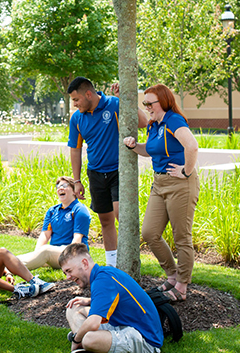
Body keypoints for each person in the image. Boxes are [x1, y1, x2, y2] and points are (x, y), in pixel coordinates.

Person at [123, 84, 199, 303]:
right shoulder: (154, 124)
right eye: (144, 103)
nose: (146, 107)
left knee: (182, 237)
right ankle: (172, 275)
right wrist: (133, 145)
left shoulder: (173, 120)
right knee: (149, 233)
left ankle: (182, 286)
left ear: (163, 101)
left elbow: (192, 147)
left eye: (150, 103)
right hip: (159, 183)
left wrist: (186, 171)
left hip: (180, 185)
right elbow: (149, 150)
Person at [67, 77, 148, 267]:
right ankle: (113, 263)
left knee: (122, 215)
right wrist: (76, 181)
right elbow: (75, 149)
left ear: (88, 94)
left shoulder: (114, 104)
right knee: (105, 220)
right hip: (95, 173)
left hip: (118, 171)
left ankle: (130, 261)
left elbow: (144, 122)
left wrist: (126, 101)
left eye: (76, 100)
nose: (75, 104)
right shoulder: (77, 118)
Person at [59, 243, 163, 353]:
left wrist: (75, 339)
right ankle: (88, 345)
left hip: (145, 340)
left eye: (69, 271)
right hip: (123, 325)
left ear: (85, 263)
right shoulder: (103, 274)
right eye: (65, 273)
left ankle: (85, 345)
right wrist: (88, 301)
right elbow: (115, 298)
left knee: (89, 339)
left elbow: (93, 323)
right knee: (73, 308)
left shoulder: (102, 280)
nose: (67, 277)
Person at [17, 176, 91, 270]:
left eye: (64, 186)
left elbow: (77, 240)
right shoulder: (52, 211)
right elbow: (45, 235)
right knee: (43, 252)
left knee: (46, 250)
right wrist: (36, 254)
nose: (60, 188)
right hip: (54, 254)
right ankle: (8, 262)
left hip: (73, 254)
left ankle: (12, 267)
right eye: (58, 186)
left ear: (74, 191)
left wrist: (68, 259)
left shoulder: (80, 210)